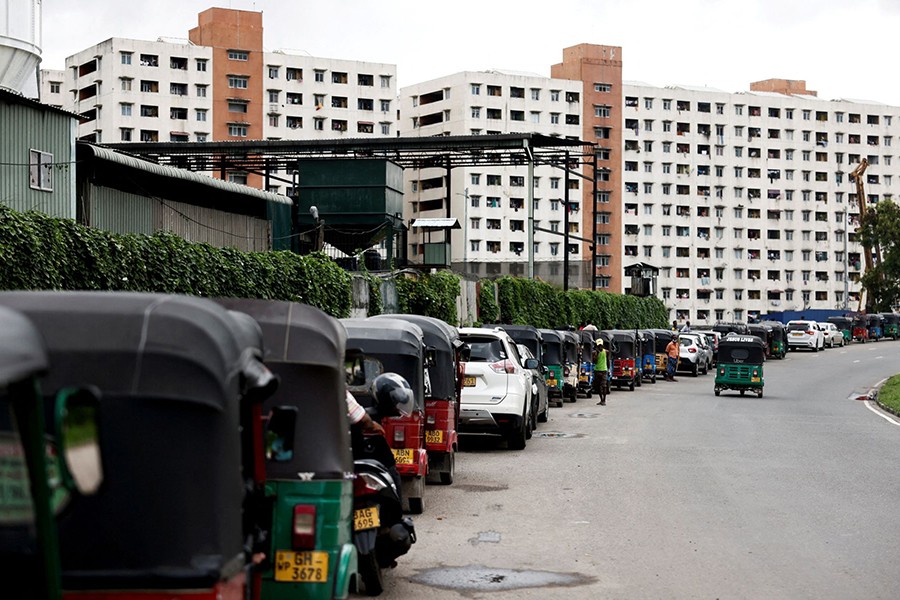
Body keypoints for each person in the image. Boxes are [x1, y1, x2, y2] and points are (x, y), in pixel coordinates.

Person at [593, 338, 609, 405]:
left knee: (603, 386)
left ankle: (603, 400)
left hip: (601, 371)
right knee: (600, 386)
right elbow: (595, 361)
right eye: (599, 346)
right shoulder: (596, 353)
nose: (600, 347)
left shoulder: (605, 352)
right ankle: (602, 400)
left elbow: (595, 362)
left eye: (600, 345)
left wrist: (608, 369)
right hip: (599, 371)